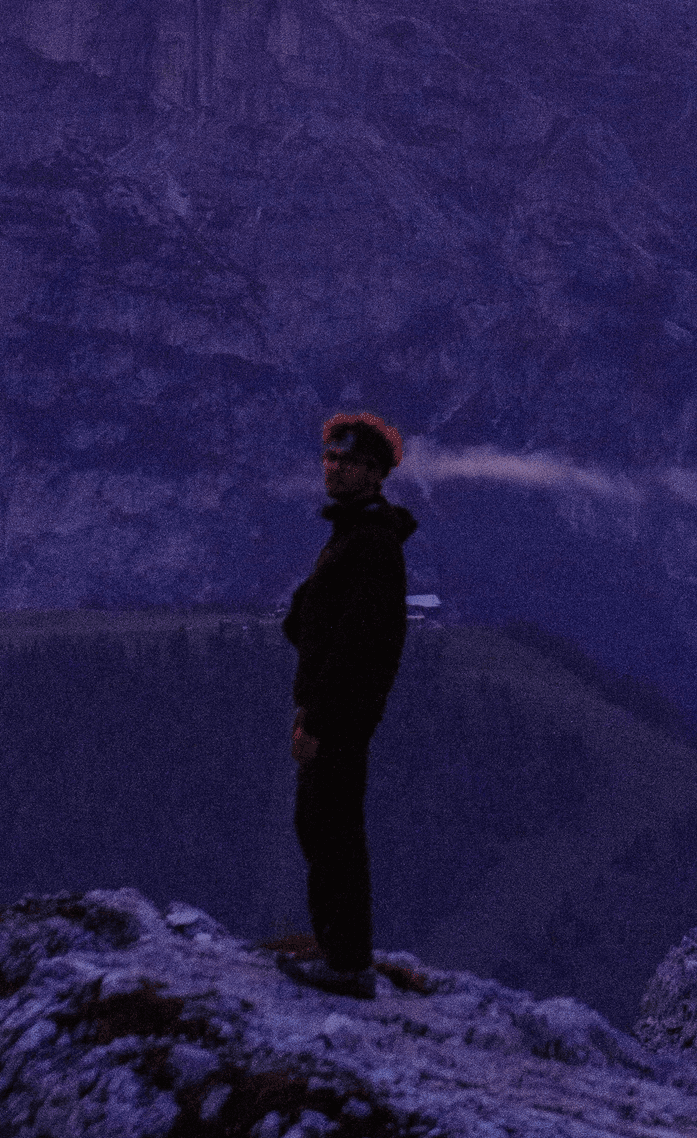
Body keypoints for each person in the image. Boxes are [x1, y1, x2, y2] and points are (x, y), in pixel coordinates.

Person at [278, 411, 417, 998]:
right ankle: (341, 952)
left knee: (329, 826)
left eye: (348, 461)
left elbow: (355, 647)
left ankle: (346, 960)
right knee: (323, 823)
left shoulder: (369, 544)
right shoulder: (354, 535)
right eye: (329, 458)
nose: (332, 469)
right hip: (342, 712)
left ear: (375, 473)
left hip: (340, 716)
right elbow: (312, 624)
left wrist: (317, 718)